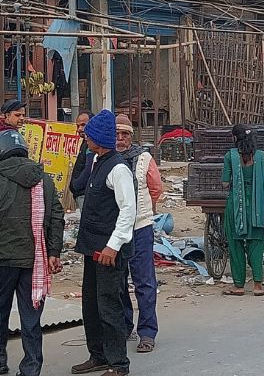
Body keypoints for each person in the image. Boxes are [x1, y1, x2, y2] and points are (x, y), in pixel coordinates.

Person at [0, 129, 65, 376]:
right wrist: (54, 251)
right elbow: (56, 216)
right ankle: (31, 367)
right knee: (31, 315)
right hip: (35, 259)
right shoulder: (43, 178)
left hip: (1, 257)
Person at [71, 110, 135, 376]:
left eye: (88, 135)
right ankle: (97, 355)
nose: (85, 138)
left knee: (109, 307)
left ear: (98, 138)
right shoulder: (96, 161)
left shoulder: (118, 169)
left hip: (109, 251)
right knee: (91, 305)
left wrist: (113, 245)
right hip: (92, 247)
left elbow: (128, 210)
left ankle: (118, 364)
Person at [117, 114, 162, 353]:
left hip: (140, 227)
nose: (120, 139)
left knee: (144, 282)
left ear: (131, 137)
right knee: (118, 281)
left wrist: (144, 212)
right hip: (116, 231)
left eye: (125, 134)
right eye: (116, 134)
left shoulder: (144, 158)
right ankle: (124, 326)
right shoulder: (106, 158)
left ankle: (147, 332)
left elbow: (156, 189)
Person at [222, 124, 264, 297]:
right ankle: (258, 285)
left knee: (235, 245)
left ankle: (239, 286)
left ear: (234, 138)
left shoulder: (230, 156)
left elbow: (225, 183)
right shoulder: (261, 156)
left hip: (236, 206)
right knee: (257, 244)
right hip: (257, 206)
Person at [69, 112, 94, 201]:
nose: (79, 129)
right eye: (77, 126)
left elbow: (89, 167)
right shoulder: (85, 142)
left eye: (83, 125)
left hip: (85, 194)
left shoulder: (92, 144)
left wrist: (76, 185)